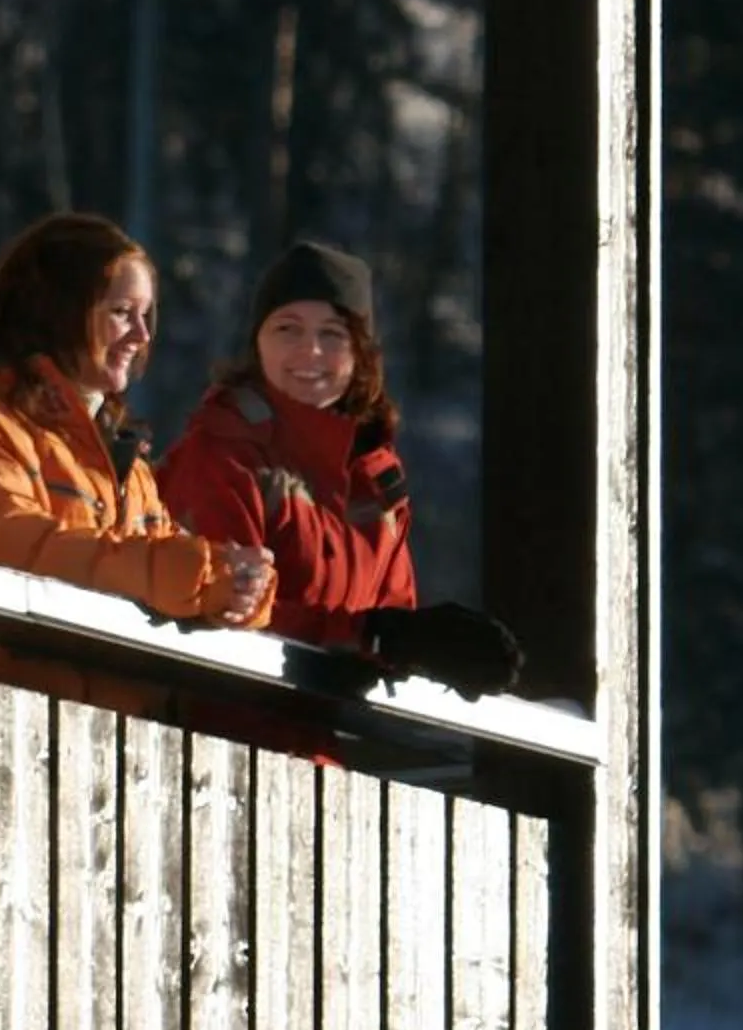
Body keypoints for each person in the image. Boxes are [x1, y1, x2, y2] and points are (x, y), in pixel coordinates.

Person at [0, 212, 275, 715]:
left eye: (147, 315)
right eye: (122, 312)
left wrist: (235, 585)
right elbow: (9, 550)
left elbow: (166, 557)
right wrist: (189, 574)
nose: (141, 335)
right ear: (59, 312)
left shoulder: (124, 464)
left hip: (102, 743)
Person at [158, 239, 521, 701]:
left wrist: (420, 646)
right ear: (257, 344)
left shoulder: (376, 480)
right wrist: (365, 636)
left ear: (360, 352)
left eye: (332, 334)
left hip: (332, 740)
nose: (310, 350)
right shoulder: (223, 454)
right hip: (226, 725)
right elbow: (218, 611)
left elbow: (389, 618)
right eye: (287, 329)